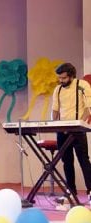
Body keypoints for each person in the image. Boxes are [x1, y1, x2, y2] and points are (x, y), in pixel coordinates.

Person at [52, 62, 91, 204]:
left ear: (71, 76)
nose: (61, 81)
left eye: (63, 78)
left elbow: (88, 108)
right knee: (66, 162)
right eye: (59, 78)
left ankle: (90, 192)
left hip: (78, 130)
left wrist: (78, 124)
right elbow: (55, 110)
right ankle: (71, 192)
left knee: (83, 160)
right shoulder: (57, 89)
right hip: (62, 130)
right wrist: (53, 125)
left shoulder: (82, 85)